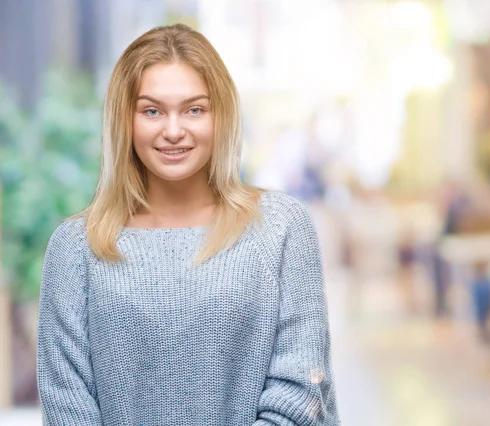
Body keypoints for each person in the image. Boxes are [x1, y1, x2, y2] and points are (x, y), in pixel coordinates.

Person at [36, 24, 340, 426]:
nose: (174, 130)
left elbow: (303, 388)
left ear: (221, 116)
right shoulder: (76, 247)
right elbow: (66, 401)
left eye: (194, 109)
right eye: (152, 110)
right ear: (124, 121)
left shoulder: (281, 228)